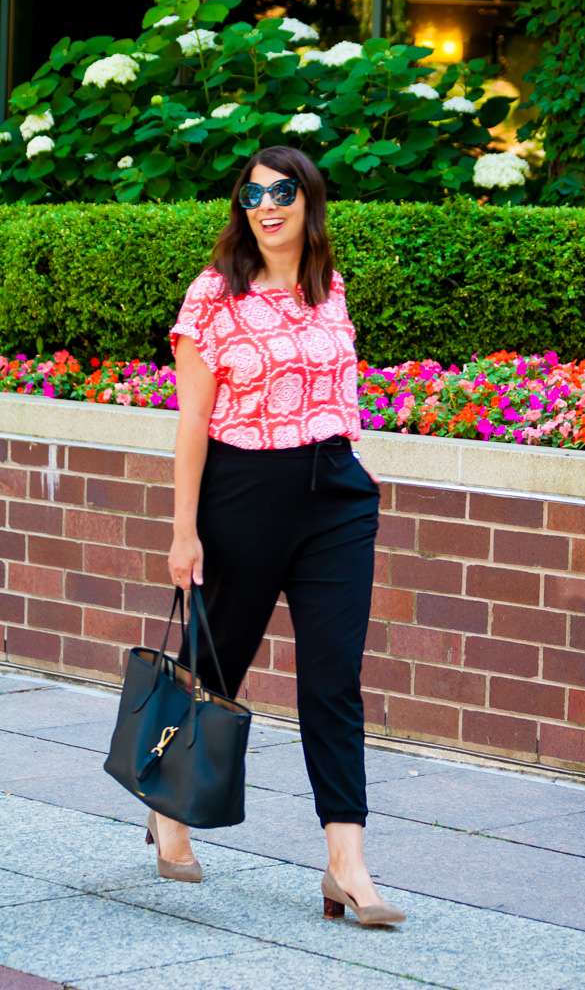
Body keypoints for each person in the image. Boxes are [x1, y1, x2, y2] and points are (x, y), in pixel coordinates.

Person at [154, 145, 405, 926]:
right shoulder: (212, 296)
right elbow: (192, 421)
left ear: (308, 202)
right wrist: (184, 529)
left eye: (282, 192)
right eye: (253, 194)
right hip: (242, 494)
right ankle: (167, 808)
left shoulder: (327, 290)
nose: (266, 206)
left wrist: (350, 473)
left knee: (333, 681)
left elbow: (344, 395)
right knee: (213, 666)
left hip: (335, 496)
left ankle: (346, 865)